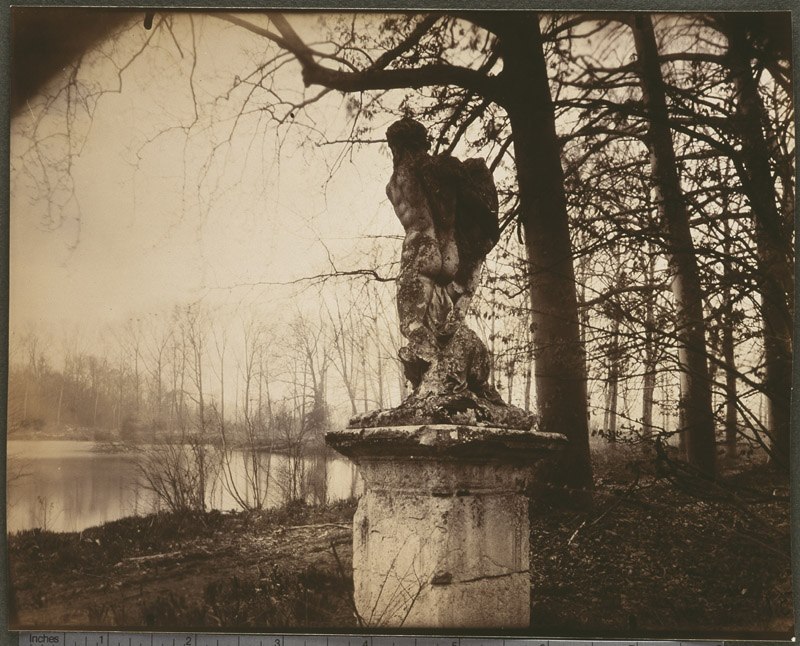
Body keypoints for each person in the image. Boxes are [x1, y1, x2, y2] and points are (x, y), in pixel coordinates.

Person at [385, 117, 500, 386]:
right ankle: (447, 373)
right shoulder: (442, 168)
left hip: (419, 248)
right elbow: (475, 202)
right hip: (450, 254)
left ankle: (437, 374)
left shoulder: (393, 185)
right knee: (444, 326)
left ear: (399, 146)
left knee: (412, 325)